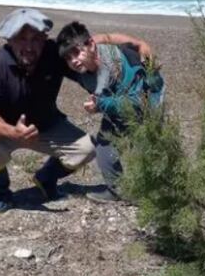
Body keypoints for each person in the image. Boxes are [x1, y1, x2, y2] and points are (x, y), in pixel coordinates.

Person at [0, 8, 153, 216]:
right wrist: (12, 132)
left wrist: (139, 44)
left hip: (46, 126)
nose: (29, 46)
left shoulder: (53, 54)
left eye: (36, 39)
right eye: (22, 39)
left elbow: (97, 39)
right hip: (4, 129)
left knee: (87, 149)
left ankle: (46, 178)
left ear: (45, 38)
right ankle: (1, 195)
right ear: (9, 40)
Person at [56, 21, 164, 203]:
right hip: (114, 99)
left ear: (91, 45)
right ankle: (118, 190)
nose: (73, 60)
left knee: (147, 147)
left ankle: (159, 197)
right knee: (104, 150)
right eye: (68, 57)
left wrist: (101, 104)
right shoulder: (83, 64)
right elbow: (106, 37)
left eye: (76, 52)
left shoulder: (121, 64)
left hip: (147, 99)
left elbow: (138, 103)